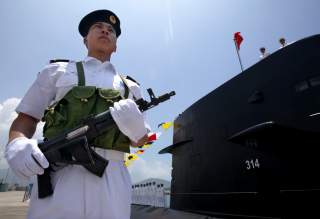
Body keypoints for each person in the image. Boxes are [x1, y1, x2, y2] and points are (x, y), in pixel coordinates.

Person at [5, 9, 150, 219]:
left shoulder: (131, 87)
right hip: (61, 173)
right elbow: (26, 118)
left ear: (116, 45)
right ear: (85, 40)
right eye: (98, 27)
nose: (105, 31)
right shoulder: (57, 71)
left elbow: (140, 141)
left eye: (111, 30)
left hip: (112, 174)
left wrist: (137, 130)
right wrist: (16, 143)